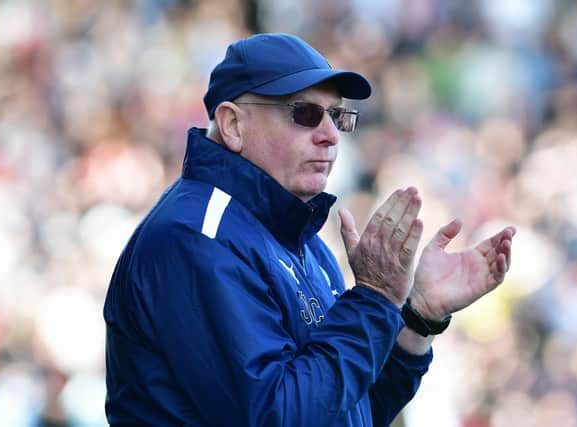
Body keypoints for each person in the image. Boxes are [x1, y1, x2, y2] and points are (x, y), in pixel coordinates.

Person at [103, 33, 515, 426]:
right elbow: (274, 416)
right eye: (305, 113)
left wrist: (417, 319)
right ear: (232, 125)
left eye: (336, 116)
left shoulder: (299, 239)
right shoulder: (196, 237)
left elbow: (351, 411)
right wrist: (374, 298)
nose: (331, 135)